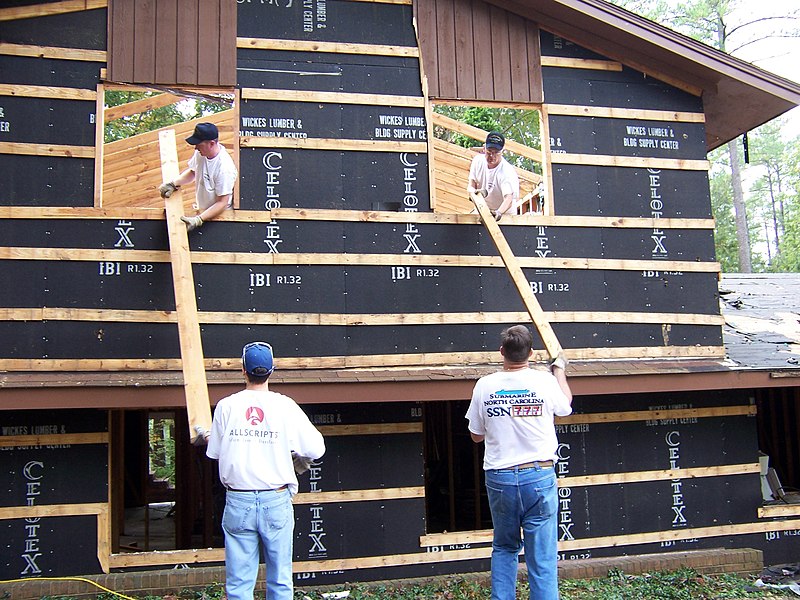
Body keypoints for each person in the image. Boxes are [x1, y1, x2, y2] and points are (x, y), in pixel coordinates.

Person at [201, 341, 325, 600]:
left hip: (238, 501)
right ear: (272, 371)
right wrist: (291, 452)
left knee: (238, 585)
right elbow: (317, 449)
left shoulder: (226, 406)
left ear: (243, 371)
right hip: (276, 500)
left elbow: (214, 453)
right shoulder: (285, 406)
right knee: (280, 581)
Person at [465, 325, 572, 600]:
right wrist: (558, 368)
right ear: (531, 353)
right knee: (542, 556)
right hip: (538, 476)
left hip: (500, 478)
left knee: (504, 547)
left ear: (502, 352)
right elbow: (565, 406)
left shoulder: (485, 385)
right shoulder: (545, 381)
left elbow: (476, 436)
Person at [159, 122, 238, 231]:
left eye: (199, 144)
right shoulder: (201, 154)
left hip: (220, 220)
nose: (196, 148)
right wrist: (173, 184)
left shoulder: (224, 168)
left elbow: (222, 202)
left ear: (211, 143)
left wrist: (198, 219)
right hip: (204, 212)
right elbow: (193, 172)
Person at [467, 131, 520, 221]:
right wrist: (473, 194)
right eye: (489, 152)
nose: (492, 156)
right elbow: (472, 184)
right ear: (484, 148)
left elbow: (509, 199)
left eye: (496, 153)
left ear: (502, 151)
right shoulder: (477, 161)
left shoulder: (507, 171)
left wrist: (498, 212)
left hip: (505, 214)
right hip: (484, 210)